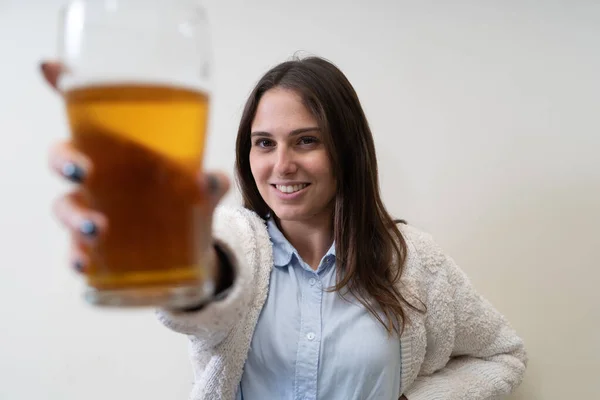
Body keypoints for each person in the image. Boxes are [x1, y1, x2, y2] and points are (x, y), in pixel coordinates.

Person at [43, 55, 527, 400]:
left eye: (306, 140)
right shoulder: (237, 246)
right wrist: (175, 248)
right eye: (263, 143)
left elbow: (501, 354)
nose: (282, 164)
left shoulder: (413, 262)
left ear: (347, 150)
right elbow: (202, 294)